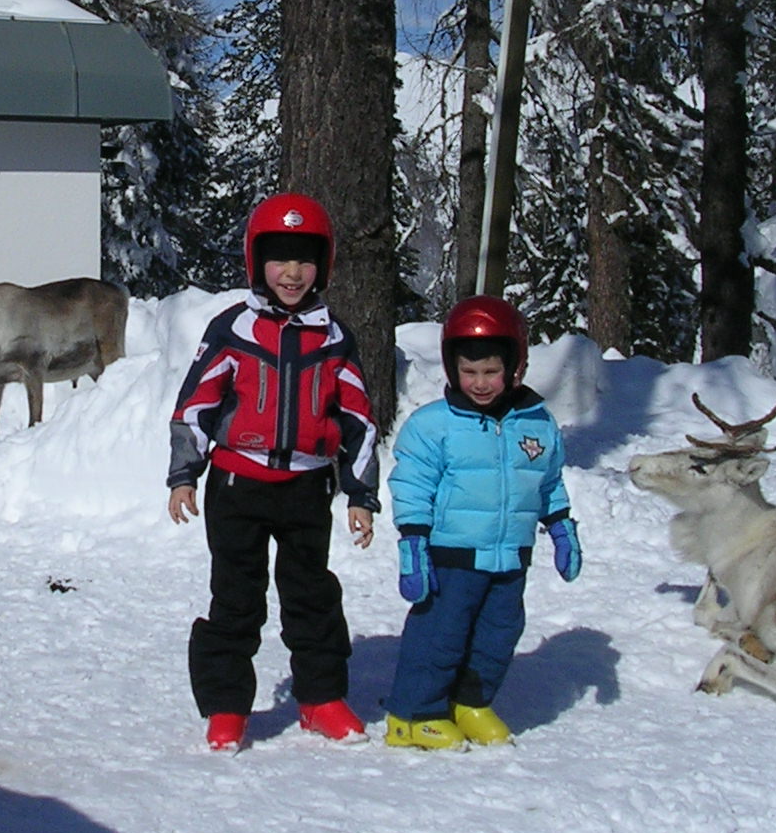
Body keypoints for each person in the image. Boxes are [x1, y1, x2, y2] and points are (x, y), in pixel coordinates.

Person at [168, 192, 380, 752]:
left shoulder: (334, 337)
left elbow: (357, 419)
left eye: (305, 259)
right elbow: (196, 405)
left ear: (324, 264)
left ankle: (321, 698)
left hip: (307, 489)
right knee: (237, 597)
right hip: (238, 487)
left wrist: (360, 492)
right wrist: (184, 474)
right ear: (256, 261)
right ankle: (227, 707)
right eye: (280, 258)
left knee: (312, 596)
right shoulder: (235, 329)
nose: (292, 273)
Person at [383, 294, 580, 749]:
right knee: (441, 635)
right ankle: (413, 714)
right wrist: (413, 542)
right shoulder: (435, 424)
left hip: (511, 554)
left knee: (498, 634)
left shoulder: (537, 423)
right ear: (453, 370)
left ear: (515, 367)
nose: (480, 383)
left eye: (491, 371)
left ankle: (471, 703)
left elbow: (547, 480)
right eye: (469, 372)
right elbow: (411, 483)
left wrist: (562, 526)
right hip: (453, 556)